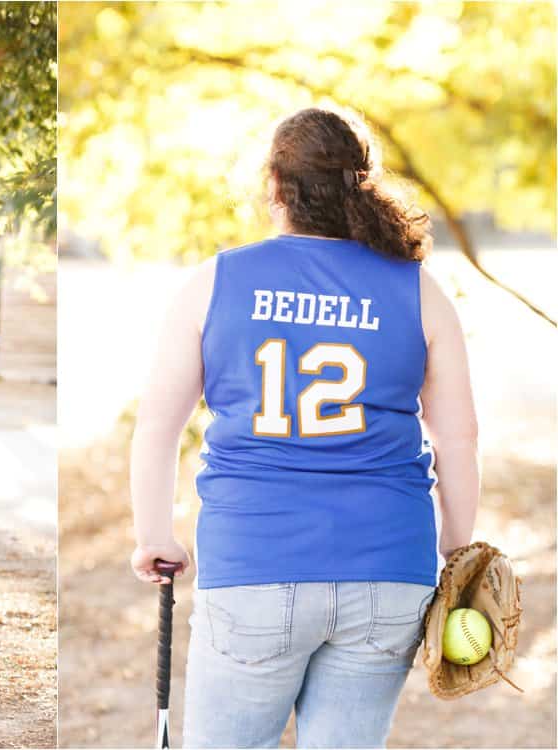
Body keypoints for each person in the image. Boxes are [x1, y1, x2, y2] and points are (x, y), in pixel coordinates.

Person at [130, 107, 478, 748]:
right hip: (388, 570)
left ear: (275, 188)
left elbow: (157, 424)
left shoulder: (215, 282)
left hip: (253, 563)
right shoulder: (419, 290)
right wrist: (458, 555)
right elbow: (457, 438)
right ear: (357, 185)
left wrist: (154, 535)